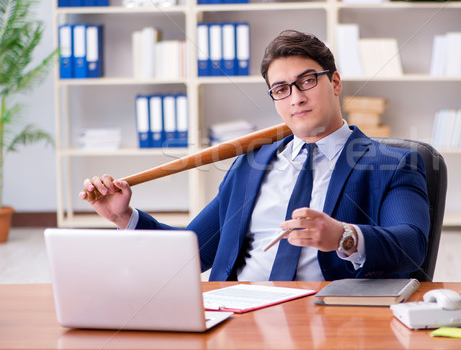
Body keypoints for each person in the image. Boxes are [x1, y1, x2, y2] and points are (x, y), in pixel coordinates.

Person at [80, 30, 430, 281]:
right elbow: (194, 252)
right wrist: (125, 216)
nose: (296, 98)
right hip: (239, 316)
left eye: (307, 81)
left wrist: (344, 237)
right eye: (281, 89)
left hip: (328, 318)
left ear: (335, 83)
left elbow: (412, 246)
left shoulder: (392, 164)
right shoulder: (250, 164)